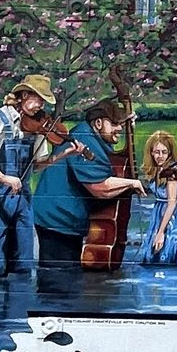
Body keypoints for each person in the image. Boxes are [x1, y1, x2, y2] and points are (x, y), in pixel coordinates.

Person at [0, 73, 80, 280]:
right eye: (38, 99)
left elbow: (36, 165)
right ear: (24, 95)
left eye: (43, 101)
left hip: (23, 197)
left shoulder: (36, 128)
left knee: (23, 264)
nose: (40, 106)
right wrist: (4, 178)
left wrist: (64, 153)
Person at [31, 95, 142, 265]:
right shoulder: (85, 142)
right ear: (98, 123)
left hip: (62, 218)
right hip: (57, 220)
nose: (119, 128)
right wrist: (131, 183)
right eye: (114, 124)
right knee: (59, 276)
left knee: (67, 277)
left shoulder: (91, 136)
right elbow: (99, 188)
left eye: (121, 124)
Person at [135, 130, 177, 267]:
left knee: (165, 251)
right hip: (160, 211)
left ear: (170, 153)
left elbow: (172, 203)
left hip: (173, 214)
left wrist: (161, 232)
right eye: (156, 152)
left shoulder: (172, 171)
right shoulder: (156, 169)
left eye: (164, 152)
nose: (160, 156)